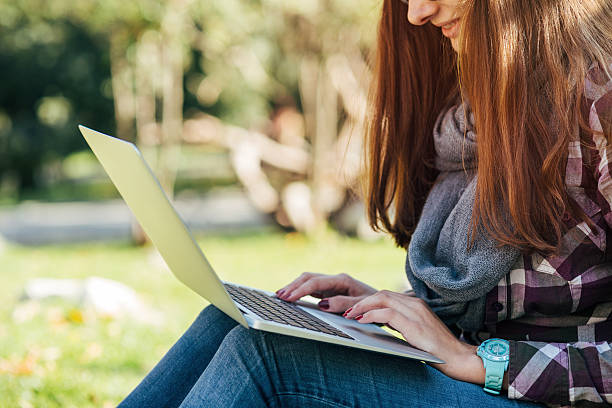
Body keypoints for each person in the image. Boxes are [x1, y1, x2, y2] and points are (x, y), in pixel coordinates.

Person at [119, 0, 612, 406]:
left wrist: (484, 362)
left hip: (545, 396)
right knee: (228, 320)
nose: (417, 12)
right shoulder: (477, 110)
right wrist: (393, 312)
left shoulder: (600, 96)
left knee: (266, 356)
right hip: (485, 375)